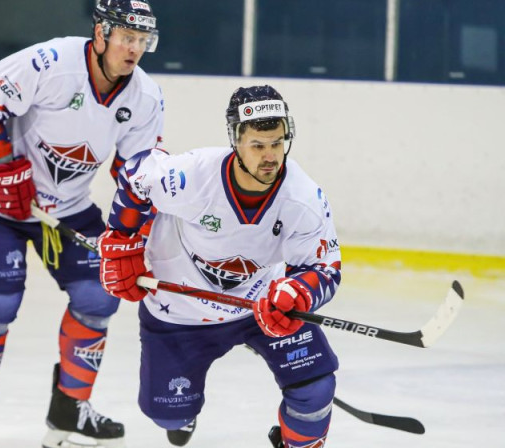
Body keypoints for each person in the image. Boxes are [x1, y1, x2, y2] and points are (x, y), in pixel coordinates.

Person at [0, 0, 164, 446]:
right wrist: (2, 167)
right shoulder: (51, 62)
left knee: (99, 298)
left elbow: (137, 176)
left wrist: (129, 238)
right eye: (127, 37)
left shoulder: (144, 96)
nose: (134, 50)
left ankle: (69, 411)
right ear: (101, 33)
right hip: (0, 205)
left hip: (66, 208)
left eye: (143, 41)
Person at [97, 85, 342, 447]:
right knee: (169, 415)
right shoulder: (193, 176)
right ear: (236, 140)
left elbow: (325, 268)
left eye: (277, 143)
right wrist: (123, 242)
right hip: (180, 314)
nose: (270, 156)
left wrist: (297, 293)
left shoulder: (302, 197)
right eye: (258, 145)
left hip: (260, 307)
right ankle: (184, 415)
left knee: (315, 388)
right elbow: (138, 175)